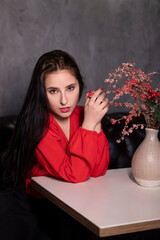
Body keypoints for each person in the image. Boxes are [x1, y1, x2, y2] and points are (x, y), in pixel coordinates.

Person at [0, 50, 110, 240]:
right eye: (53, 91)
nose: (64, 101)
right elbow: (74, 174)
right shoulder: (38, 124)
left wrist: (95, 123)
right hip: (35, 207)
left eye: (70, 88)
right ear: (41, 92)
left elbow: (98, 170)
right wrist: (89, 126)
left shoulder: (85, 115)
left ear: (80, 86)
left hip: (74, 205)